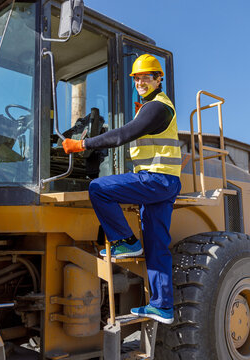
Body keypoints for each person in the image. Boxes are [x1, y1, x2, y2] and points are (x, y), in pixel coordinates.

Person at [62, 54, 181, 324]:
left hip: (157, 180)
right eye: (137, 78)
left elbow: (121, 135)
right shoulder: (151, 107)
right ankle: (162, 307)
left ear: (159, 79)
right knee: (157, 245)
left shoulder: (156, 108)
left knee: (99, 189)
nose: (140, 81)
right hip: (165, 182)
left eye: (146, 77)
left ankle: (126, 242)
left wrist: (83, 144)